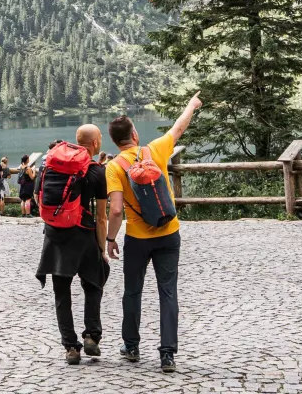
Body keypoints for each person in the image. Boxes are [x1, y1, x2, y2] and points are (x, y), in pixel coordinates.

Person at [105, 93, 202, 374]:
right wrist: (192, 105)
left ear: (114, 141)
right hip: (169, 232)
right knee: (168, 293)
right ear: (134, 134)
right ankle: (167, 355)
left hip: (137, 238)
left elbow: (115, 210)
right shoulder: (154, 150)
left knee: (132, 291)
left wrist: (110, 240)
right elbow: (178, 127)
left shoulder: (114, 166)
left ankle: (132, 346)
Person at [36, 126, 109, 364]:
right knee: (94, 282)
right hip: (85, 235)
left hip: (55, 236)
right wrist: (102, 249)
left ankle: (70, 347)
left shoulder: (50, 165)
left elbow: (40, 199)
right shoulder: (95, 171)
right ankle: (92, 336)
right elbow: (101, 216)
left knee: (61, 294)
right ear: (95, 144)